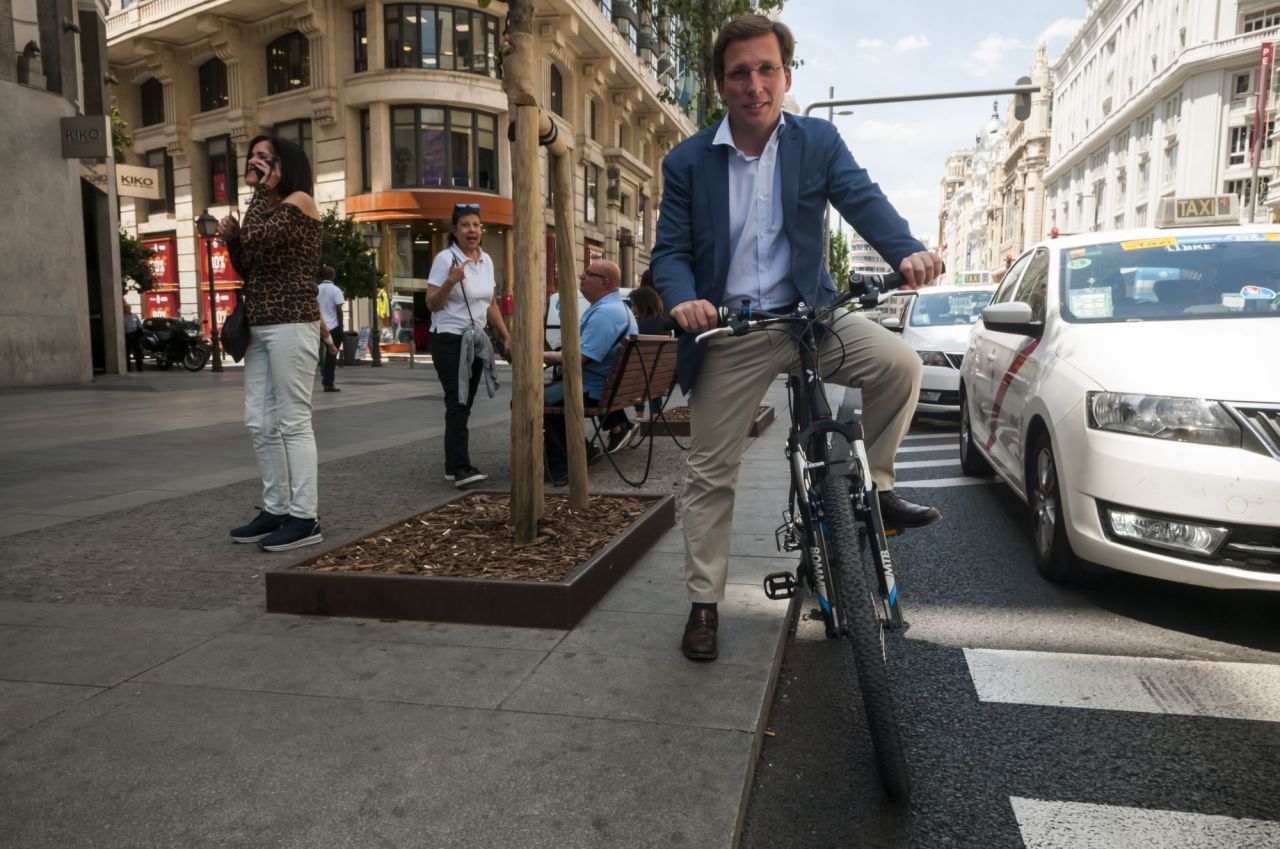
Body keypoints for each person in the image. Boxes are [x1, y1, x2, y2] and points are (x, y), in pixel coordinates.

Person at [651, 14, 945, 662]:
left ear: (785, 76)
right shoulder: (687, 163)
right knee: (707, 473)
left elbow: (863, 202)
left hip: (811, 316)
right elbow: (668, 253)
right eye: (738, 73)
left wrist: (908, 251)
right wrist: (684, 301)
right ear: (720, 87)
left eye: (765, 70)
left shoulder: (817, 142)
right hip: (732, 329)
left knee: (899, 362)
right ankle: (704, 602)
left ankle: (880, 488)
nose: (753, 84)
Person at [218, 135, 326, 552]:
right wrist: (231, 239)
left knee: (293, 421)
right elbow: (249, 263)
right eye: (252, 157)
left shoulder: (299, 201)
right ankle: (276, 509)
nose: (254, 162)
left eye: (265, 157)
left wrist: (258, 197)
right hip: (261, 326)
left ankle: (305, 517)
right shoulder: (264, 207)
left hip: (292, 323)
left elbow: (260, 238)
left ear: (285, 165)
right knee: (259, 422)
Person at [426, 202, 511, 489]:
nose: (471, 230)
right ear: (455, 231)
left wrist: (505, 334)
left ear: (481, 230)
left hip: (475, 340)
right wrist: (450, 282)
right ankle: (459, 467)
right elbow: (431, 303)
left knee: (465, 403)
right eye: (465, 225)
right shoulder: (444, 259)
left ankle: (455, 465)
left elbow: (490, 304)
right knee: (458, 400)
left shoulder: (485, 261)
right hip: (449, 339)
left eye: (475, 224)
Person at [542, 259, 638, 486]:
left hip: (590, 389)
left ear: (604, 282)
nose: (581, 277)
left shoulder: (605, 314)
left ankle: (563, 464)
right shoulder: (618, 309)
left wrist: (542, 356)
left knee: (529, 400)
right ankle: (584, 449)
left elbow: (578, 359)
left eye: (588, 274)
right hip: (607, 387)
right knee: (543, 396)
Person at [628, 284, 668, 433]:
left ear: (642, 304)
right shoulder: (664, 322)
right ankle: (656, 413)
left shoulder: (638, 325)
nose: (632, 309)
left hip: (640, 378)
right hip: (661, 376)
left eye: (633, 304)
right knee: (652, 372)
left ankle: (639, 414)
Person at [317, 265, 345, 392]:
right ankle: (328, 383)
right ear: (333, 276)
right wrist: (341, 325)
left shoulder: (316, 289)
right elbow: (339, 309)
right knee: (331, 354)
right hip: (333, 327)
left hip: (317, 325)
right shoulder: (336, 290)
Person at [122, 301, 143, 372]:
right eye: (126, 307)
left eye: (129, 307)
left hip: (135, 335)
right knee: (127, 352)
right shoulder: (121, 316)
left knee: (138, 352)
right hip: (126, 335)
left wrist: (140, 334)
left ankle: (140, 368)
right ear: (124, 308)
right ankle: (128, 368)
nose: (128, 309)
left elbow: (139, 325)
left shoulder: (135, 316)